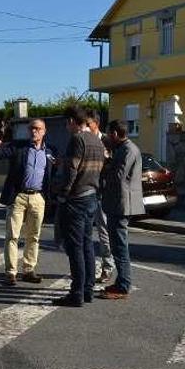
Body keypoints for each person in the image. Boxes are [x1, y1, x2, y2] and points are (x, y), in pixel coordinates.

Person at [0, 118, 57, 286]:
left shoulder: (51, 151)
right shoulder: (18, 146)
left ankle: (29, 270)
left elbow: (53, 171)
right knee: (12, 235)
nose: (34, 131)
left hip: (38, 198)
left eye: (38, 129)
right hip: (18, 196)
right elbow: (0, 154)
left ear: (44, 131)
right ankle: (11, 272)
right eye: (32, 128)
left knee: (34, 236)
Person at [52, 105, 106, 307]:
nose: (67, 127)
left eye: (67, 123)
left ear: (73, 121)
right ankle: (88, 291)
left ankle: (76, 294)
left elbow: (72, 171)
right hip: (92, 196)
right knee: (87, 246)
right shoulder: (97, 141)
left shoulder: (78, 139)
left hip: (76, 199)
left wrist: (63, 194)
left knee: (75, 248)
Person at [100, 120, 145, 300]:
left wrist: (105, 164)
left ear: (116, 134)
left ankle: (123, 285)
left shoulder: (128, 150)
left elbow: (118, 176)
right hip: (118, 203)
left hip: (120, 204)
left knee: (119, 246)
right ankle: (121, 282)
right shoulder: (124, 149)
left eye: (109, 133)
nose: (107, 137)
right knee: (118, 245)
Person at [87, 109, 115, 283]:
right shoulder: (84, 140)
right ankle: (88, 268)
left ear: (96, 124)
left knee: (103, 231)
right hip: (86, 191)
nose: (85, 128)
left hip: (101, 193)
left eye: (88, 124)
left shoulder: (106, 141)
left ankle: (107, 267)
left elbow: (112, 167)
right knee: (85, 232)